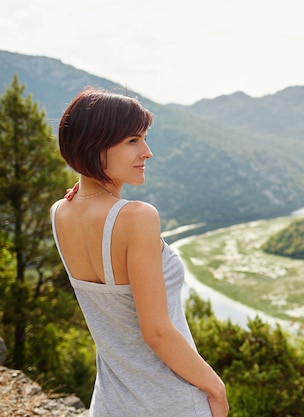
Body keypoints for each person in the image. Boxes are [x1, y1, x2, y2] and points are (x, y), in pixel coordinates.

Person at [50, 89, 229, 417]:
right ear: (95, 143)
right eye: (133, 140)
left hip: (110, 402)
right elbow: (157, 332)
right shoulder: (136, 217)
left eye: (143, 139)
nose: (147, 152)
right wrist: (216, 388)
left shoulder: (60, 212)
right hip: (169, 401)